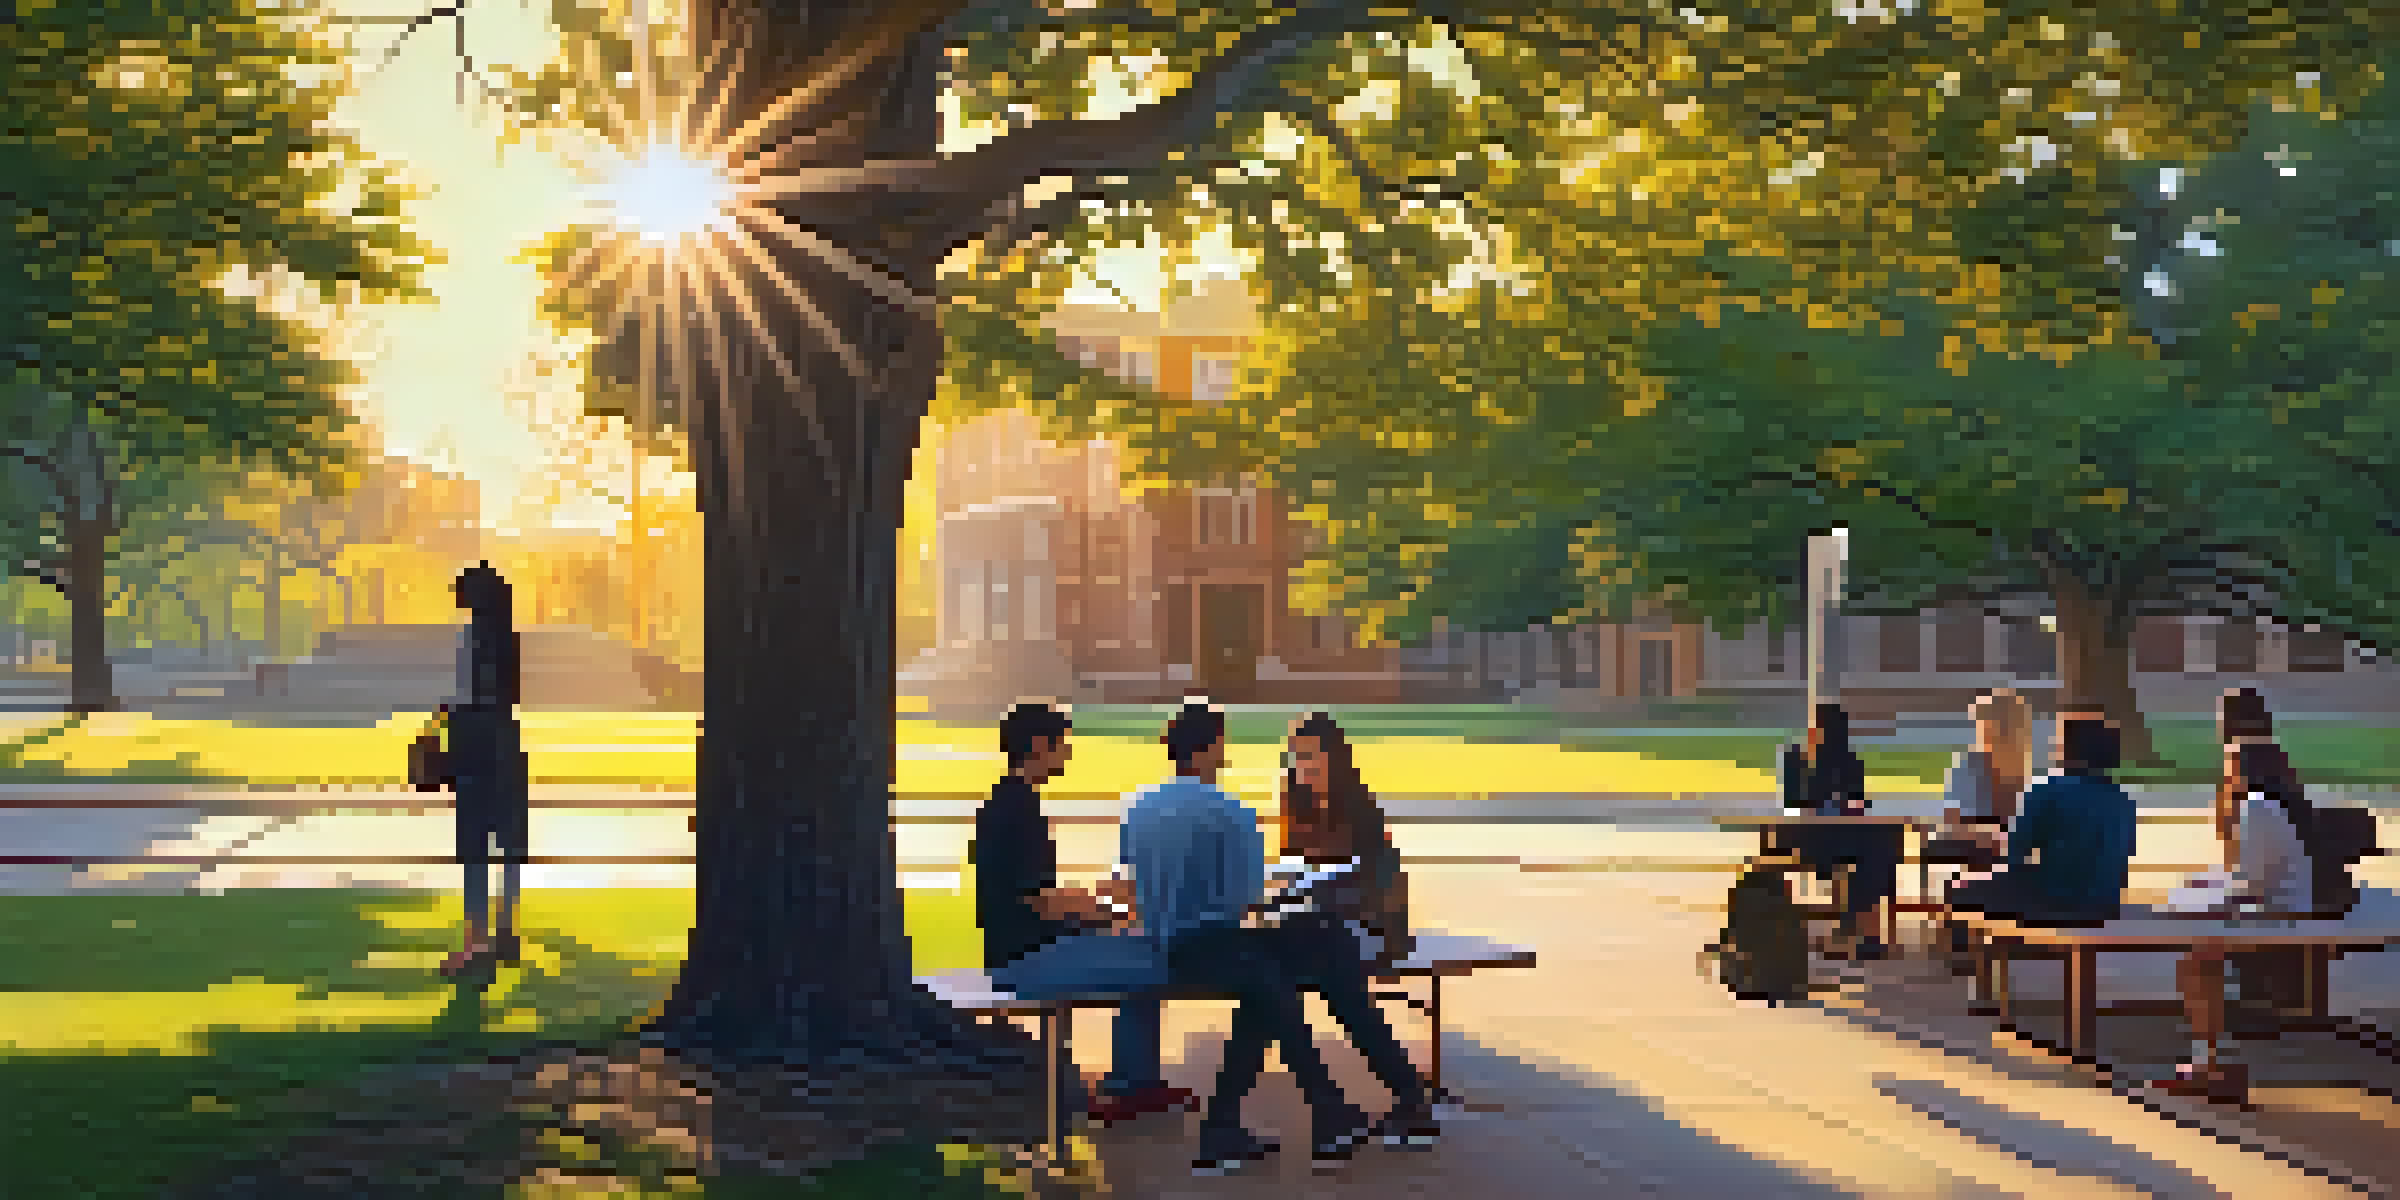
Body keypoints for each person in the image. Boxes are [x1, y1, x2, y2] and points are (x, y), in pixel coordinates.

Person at [1108, 699, 1373, 1176]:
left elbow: (1127, 886)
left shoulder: (1139, 806)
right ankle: (1322, 1110)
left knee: (1266, 994)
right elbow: (1250, 899)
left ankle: (1232, 1127)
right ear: (1211, 748)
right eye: (1222, 744)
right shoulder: (1232, 812)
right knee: (1277, 981)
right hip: (1214, 945)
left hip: (1160, 945)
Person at [971, 700, 1190, 1126]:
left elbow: (1034, 894)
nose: (1066, 754)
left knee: (1146, 950)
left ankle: (1136, 1080)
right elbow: (1042, 902)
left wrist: (1102, 910)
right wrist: (1107, 913)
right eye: (1061, 745)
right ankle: (1130, 1086)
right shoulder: (1018, 811)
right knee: (1154, 962)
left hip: (1032, 946)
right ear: (1038, 747)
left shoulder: (1011, 801)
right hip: (1024, 961)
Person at [1266, 712, 1439, 1147]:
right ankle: (1402, 1100)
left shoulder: (1359, 806)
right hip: (1317, 924)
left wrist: (1322, 890)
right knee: (1321, 986)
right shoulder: (1294, 800)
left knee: (1296, 982)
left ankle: (1355, 1106)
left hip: (1368, 924)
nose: (1301, 763)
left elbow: (1380, 884)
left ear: (1333, 756)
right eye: (1295, 755)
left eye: (1310, 755)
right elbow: (1295, 867)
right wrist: (1289, 889)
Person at [2153, 689, 2322, 1104]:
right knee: (2198, 947)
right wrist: (2209, 885)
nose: (2225, 775)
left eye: (2229, 766)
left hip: (2280, 913)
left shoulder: (2257, 808)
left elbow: (2253, 885)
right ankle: (2209, 1058)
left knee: (2197, 958)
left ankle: (2210, 1063)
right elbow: (2247, 875)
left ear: (2242, 768)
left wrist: (2207, 898)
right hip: (2280, 906)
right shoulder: (2269, 805)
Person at [1947, 709, 2138, 927]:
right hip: (2105, 907)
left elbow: (2015, 853)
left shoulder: (2049, 789)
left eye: (2058, 742)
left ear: (2069, 748)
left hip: (2054, 903)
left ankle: (1967, 957)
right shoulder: (2123, 800)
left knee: (1957, 889)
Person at [438, 562, 529, 978]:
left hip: (475, 745)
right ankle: (506, 931)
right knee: (508, 842)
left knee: (474, 849)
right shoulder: (509, 639)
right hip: (506, 745)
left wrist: (448, 714)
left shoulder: (472, 640)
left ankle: (475, 944)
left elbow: (468, 695)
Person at [1777, 703, 1895, 959]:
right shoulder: (1797, 760)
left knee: (1884, 841)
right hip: (1812, 838)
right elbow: (1795, 804)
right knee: (1878, 847)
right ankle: (1858, 926)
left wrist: (1851, 805)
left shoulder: (1849, 761)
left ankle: (1856, 925)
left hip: (1844, 835)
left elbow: (1861, 802)